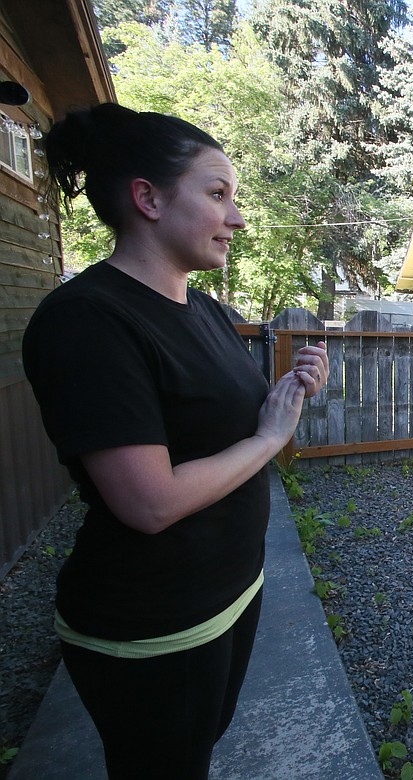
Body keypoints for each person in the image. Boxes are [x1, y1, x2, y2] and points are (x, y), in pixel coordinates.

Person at [22, 103, 329, 779]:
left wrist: (292, 390)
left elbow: (216, 421)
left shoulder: (208, 311)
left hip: (231, 591)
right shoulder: (88, 321)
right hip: (154, 624)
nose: (238, 218)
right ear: (148, 198)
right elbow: (149, 502)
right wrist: (272, 436)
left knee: (198, 748)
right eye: (218, 194)